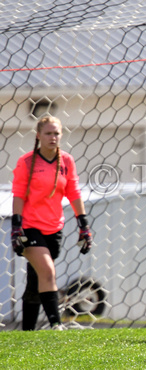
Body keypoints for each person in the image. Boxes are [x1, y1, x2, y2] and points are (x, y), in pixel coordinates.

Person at [11, 116, 93, 331]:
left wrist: (83, 226)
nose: (53, 137)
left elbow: (73, 192)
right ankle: (56, 326)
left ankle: (27, 333)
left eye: (56, 133)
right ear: (38, 136)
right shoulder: (27, 161)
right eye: (48, 133)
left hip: (54, 228)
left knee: (35, 282)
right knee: (48, 272)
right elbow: (18, 194)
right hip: (29, 227)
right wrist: (16, 227)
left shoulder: (66, 161)